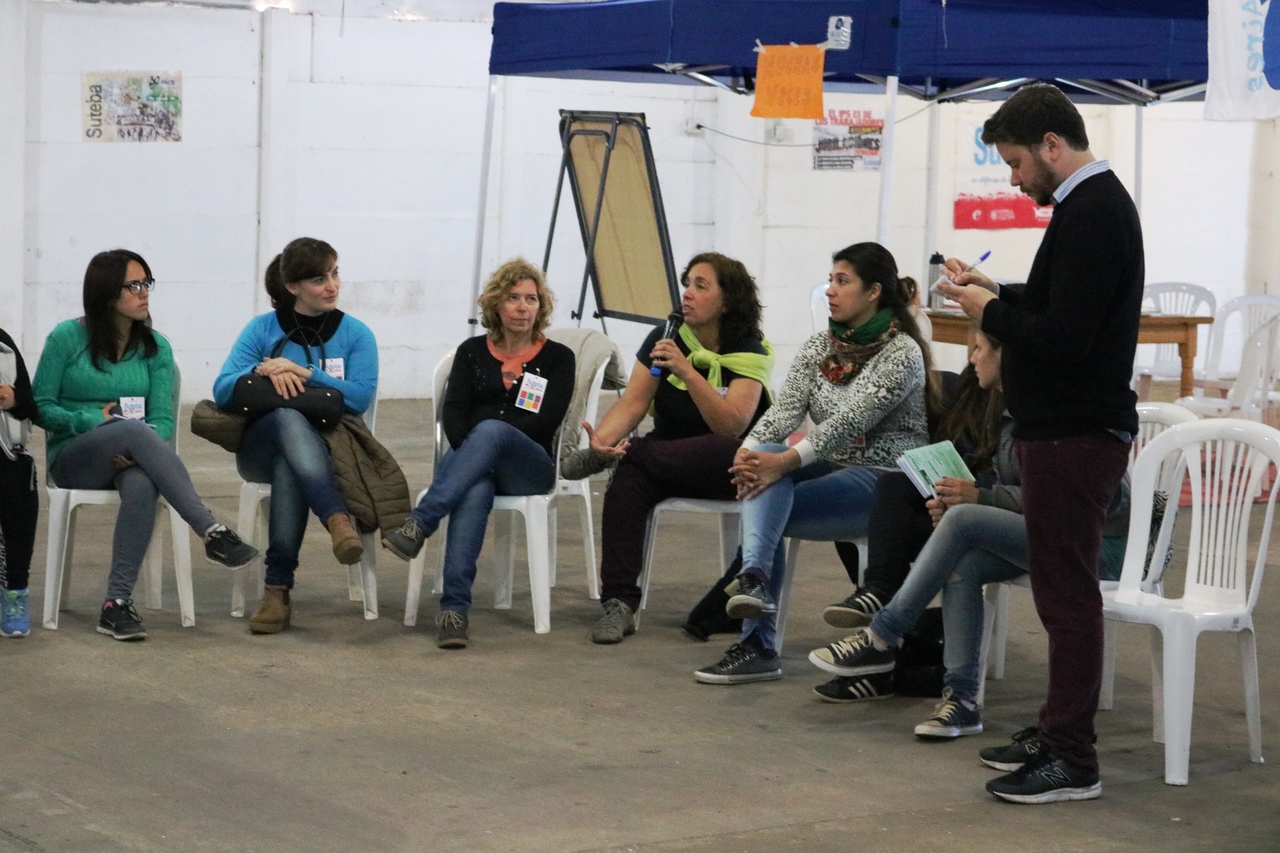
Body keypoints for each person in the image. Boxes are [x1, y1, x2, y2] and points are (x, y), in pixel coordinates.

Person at [937, 83, 1143, 804]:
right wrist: (997, 290)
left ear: (1052, 146)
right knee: (1061, 595)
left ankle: (1072, 758)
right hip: (1063, 432)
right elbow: (1061, 303)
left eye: (1017, 163)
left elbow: (1064, 337)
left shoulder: (1094, 212)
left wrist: (991, 310)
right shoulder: (1089, 207)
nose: (1014, 180)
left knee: (1067, 599)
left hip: (1075, 435)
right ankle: (1057, 730)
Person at [807, 330, 1129, 731]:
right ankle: (961, 699)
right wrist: (963, 499)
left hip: (1103, 545)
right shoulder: (1010, 411)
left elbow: (1082, 499)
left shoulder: (1058, 415)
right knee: (964, 560)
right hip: (1049, 535)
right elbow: (1018, 489)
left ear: (1006, 356)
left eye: (979, 349)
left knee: (963, 520)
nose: (971, 359)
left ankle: (882, 635)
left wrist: (980, 499)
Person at [695, 242, 936, 685]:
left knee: (768, 496)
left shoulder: (902, 353)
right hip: (832, 464)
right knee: (764, 467)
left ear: (873, 292)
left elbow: (849, 422)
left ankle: (757, 639)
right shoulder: (819, 347)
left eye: (842, 281)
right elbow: (784, 412)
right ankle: (754, 582)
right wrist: (748, 454)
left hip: (889, 482)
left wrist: (782, 462)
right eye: (830, 280)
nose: (830, 290)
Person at [32, 250, 258, 641]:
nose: (143, 293)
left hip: (131, 457)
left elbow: (163, 420)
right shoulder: (66, 338)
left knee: (140, 482)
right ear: (106, 294)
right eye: (133, 285)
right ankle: (210, 530)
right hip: (75, 457)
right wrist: (91, 420)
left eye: (146, 283)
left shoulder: (156, 348)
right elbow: (40, 406)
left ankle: (115, 604)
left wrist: (136, 445)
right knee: (134, 431)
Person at [568, 253, 772, 645]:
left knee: (716, 448)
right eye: (687, 284)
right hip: (667, 459)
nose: (687, 294)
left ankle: (631, 454)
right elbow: (633, 403)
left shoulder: (749, 348)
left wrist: (687, 371)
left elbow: (731, 425)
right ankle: (619, 603)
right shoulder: (666, 336)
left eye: (701, 286)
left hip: (731, 469)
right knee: (628, 477)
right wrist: (602, 443)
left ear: (727, 301)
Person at [382, 259, 574, 649]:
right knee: (473, 486)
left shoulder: (558, 358)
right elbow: (453, 416)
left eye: (531, 299)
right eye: (513, 298)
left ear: (541, 307)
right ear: (496, 304)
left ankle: (420, 523)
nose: (522, 308)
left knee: (490, 431)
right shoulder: (471, 352)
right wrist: (480, 452)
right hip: (474, 466)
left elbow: (545, 422)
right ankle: (453, 612)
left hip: (529, 467)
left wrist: (492, 439)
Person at [214, 237, 378, 634]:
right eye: (319, 279)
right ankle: (335, 518)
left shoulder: (356, 334)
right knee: (287, 419)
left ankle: (277, 589)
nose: (332, 286)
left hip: (333, 450)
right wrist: (263, 370)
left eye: (335, 273)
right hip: (259, 447)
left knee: (290, 463)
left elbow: (359, 397)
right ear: (292, 287)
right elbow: (222, 388)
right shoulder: (262, 329)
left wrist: (306, 374)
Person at [0, 326, 38, 637]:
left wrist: (13, 399)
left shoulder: (3, 346)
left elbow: (30, 407)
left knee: (18, 479)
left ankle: (15, 591)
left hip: (4, 450)